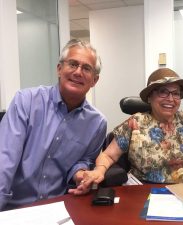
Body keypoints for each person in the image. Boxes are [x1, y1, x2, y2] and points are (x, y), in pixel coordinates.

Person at [0, 39, 107, 211]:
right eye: (72, 64)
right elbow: (4, 161)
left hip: (59, 208)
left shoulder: (97, 123)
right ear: (59, 69)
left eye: (86, 68)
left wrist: (80, 174)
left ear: (95, 80)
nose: (78, 72)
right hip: (15, 208)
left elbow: (83, 160)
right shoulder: (26, 102)